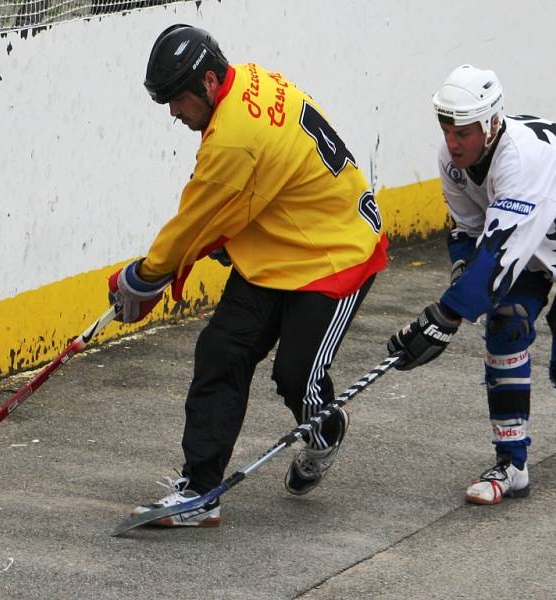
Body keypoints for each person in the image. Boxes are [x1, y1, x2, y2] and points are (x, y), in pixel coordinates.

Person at [108, 24, 388, 527]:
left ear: (210, 82)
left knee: (297, 376)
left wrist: (142, 277)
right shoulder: (247, 81)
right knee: (220, 351)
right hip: (275, 252)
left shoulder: (235, 138)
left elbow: (195, 220)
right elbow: (233, 204)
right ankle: (200, 491)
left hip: (335, 255)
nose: (174, 113)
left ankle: (326, 432)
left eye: (177, 100)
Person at [388, 64, 556, 505]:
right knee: (505, 321)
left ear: (492, 123)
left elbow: (498, 258)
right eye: (446, 128)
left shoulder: (522, 162)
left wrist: (444, 315)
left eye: (463, 131)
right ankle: (512, 465)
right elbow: (468, 230)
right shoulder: (452, 159)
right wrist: (459, 280)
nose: (452, 141)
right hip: (526, 238)